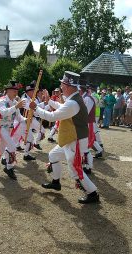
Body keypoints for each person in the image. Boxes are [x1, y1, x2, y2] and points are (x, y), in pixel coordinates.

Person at [29, 71, 99, 204]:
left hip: (75, 140)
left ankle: (93, 193)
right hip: (71, 139)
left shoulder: (73, 103)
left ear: (67, 86)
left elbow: (52, 116)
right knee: (53, 155)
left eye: (62, 85)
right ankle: (56, 182)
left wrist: (36, 108)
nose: (61, 88)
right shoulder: (74, 100)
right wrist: (49, 101)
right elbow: (62, 107)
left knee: (75, 169)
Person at [0, 81, 26, 180]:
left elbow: (19, 118)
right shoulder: (1, 100)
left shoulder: (16, 102)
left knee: (1, 149)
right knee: (12, 146)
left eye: (16, 90)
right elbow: (3, 112)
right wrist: (16, 106)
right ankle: (9, 168)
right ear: (7, 91)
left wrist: (28, 119)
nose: (16, 92)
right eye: (13, 90)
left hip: (8, 129)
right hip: (0, 127)